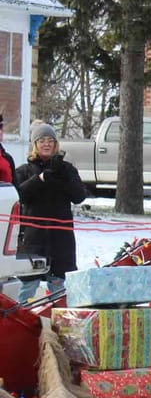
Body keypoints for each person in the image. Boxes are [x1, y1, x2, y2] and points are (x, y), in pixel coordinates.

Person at [15, 121, 87, 303]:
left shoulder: (66, 169)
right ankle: (23, 324)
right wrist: (39, 179)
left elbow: (79, 196)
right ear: (35, 145)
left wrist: (61, 177)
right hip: (33, 238)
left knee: (59, 288)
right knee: (28, 287)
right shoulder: (24, 170)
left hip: (60, 239)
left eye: (50, 141)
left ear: (56, 145)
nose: (46, 144)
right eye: (42, 141)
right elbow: (20, 195)